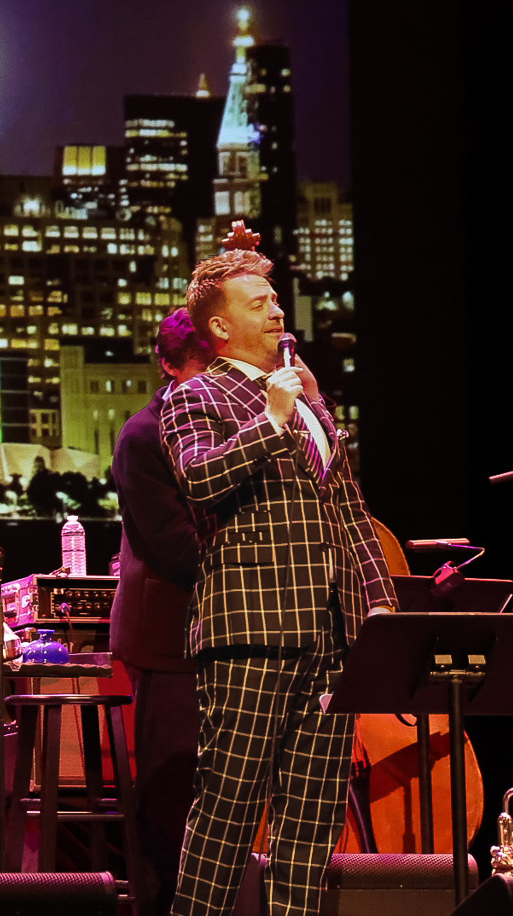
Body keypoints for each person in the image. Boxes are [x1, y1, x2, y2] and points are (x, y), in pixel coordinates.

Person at [163, 249, 394, 916]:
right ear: (220, 328)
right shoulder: (195, 394)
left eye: (274, 297)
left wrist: (379, 604)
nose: (276, 309)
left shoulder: (311, 402)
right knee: (227, 814)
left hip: (330, 636)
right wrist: (270, 418)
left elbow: (349, 509)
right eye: (257, 301)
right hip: (252, 634)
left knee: (311, 826)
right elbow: (201, 479)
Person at [109, 308, 213, 916]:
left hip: (227, 632)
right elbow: (174, 547)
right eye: (201, 371)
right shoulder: (145, 435)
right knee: (172, 800)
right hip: (171, 640)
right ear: (169, 367)